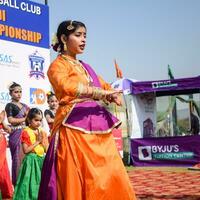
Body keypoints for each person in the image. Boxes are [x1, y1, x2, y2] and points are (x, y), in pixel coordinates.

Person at [38, 20, 136, 200]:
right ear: (63, 38)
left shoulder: (85, 66)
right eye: (78, 35)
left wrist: (112, 94)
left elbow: (102, 84)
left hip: (96, 121)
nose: (83, 40)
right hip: (73, 122)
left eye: (85, 36)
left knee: (108, 169)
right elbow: (68, 86)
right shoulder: (57, 66)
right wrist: (100, 93)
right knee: (81, 173)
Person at [13, 108, 48, 200]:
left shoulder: (42, 131)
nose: (38, 123)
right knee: (30, 184)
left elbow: (46, 150)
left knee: (41, 184)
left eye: (40, 120)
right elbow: (26, 150)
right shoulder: (26, 131)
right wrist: (37, 141)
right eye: (36, 120)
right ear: (29, 120)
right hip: (31, 162)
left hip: (41, 161)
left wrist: (44, 142)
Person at [5, 82, 29, 185]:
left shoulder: (25, 105)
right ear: (10, 93)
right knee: (16, 158)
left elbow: (32, 119)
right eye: (16, 92)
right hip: (15, 134)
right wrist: (25, 118)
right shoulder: (9, 105)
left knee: (26, 157)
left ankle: (26, 182)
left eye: (20, 92)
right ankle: (17, 183)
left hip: (26, 133)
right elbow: (10, 120)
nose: (18, 94)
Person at [0, 111, 13, 199]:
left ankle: (7, 193)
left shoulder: (1, 121)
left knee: (3, 170)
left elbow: (9, 130)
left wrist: (2, 121)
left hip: (1, 145)